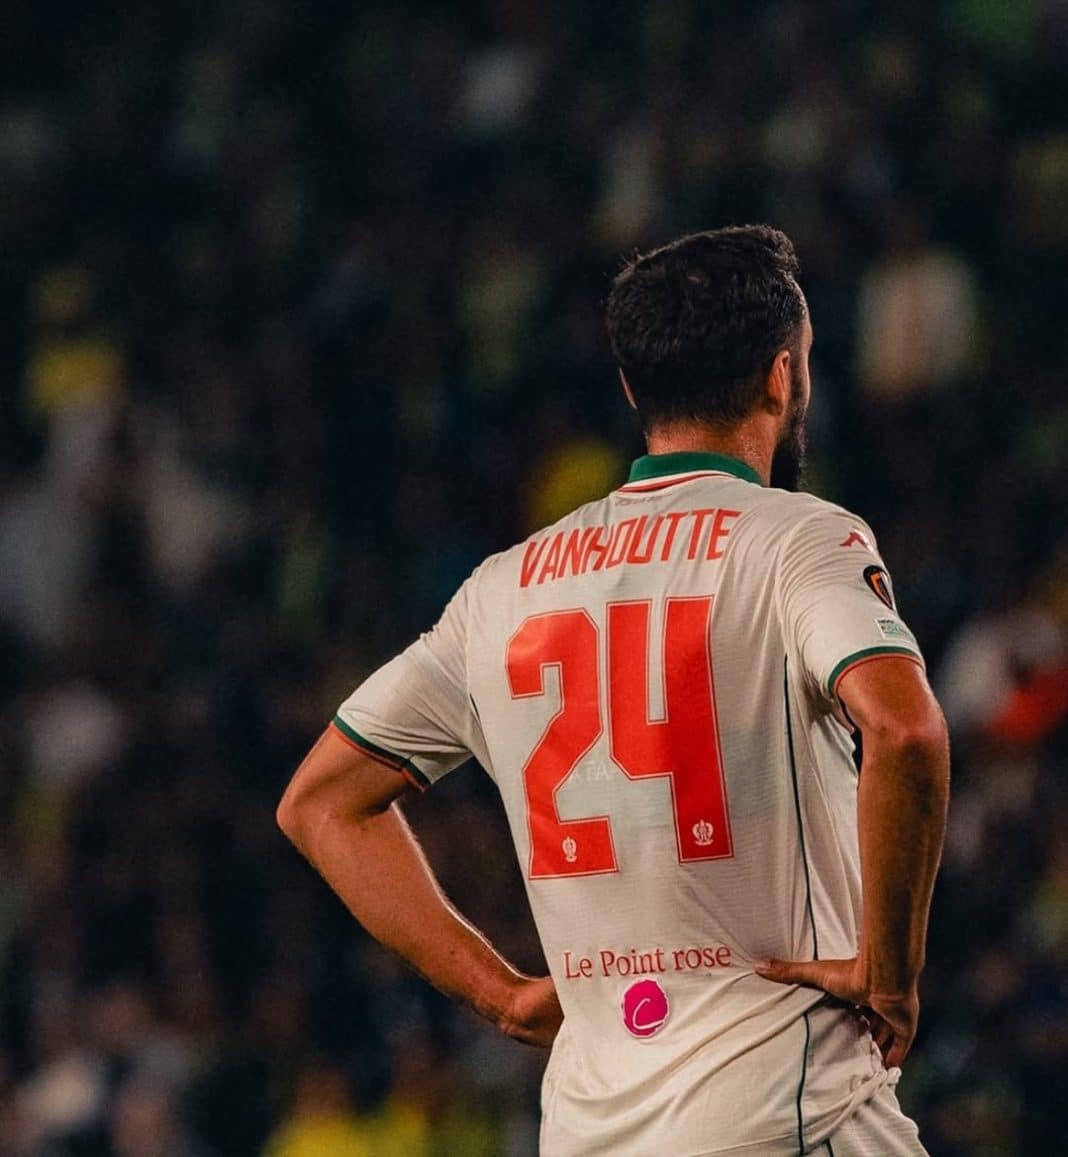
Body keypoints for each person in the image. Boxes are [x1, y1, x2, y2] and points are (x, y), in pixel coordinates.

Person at [277, 226, 950, 1156]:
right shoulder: (796, 538)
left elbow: (319, 803)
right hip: (785, 1110)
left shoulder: (503, 588)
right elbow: (906, 732)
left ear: (633, 389)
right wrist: (892, 971)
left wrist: (499, 991)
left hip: (591, 1127)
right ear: (782, 377)